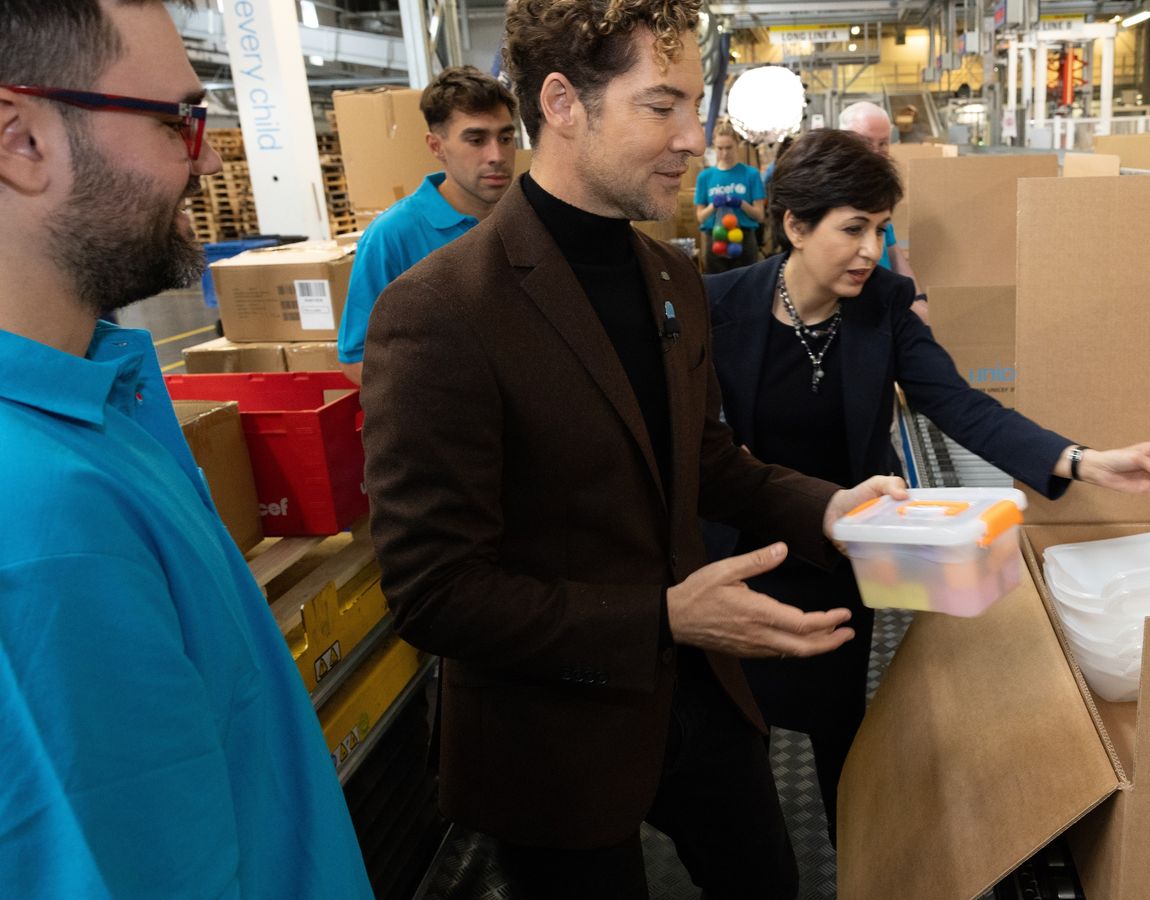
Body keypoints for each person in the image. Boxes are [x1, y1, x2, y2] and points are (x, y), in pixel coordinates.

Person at [358, 2, 907, 897]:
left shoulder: (669, 277)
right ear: (562, 103)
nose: (692, 136)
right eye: (662, 106)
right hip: (553, 735)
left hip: (701, 699)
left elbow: (706, 460)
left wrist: (830, 508)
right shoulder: (442, 311)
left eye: (695, 105)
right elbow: (435, 590)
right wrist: (663, 618)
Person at [704, 129, 1150, 841]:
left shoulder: (884, 305)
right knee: (737, 733)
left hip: (844, 552)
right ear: (795, 225)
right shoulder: (716, 307)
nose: (872, 250)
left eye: (881, 229)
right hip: (743, 554)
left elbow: (960, 405)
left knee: (840, 726)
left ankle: (856, 858)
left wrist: (1083, 460)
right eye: (853, 228)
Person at [0, 2, 371, 897]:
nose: (204, 160)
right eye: (177, 121)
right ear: (21, 141)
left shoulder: (101, 399)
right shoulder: (40, 520)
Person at [337, 66, 518, 385]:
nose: (497, 155)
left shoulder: (524, 220)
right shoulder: (392, 235)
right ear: (436, 146)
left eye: (505, 138)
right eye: (476, 139)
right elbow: (357, 360)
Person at [839, 100, 927, 321]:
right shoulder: (835, 197)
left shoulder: (877, 192)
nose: (876, 152)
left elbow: (893, 250)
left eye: (883, 143)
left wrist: (918, 298)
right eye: (865, 142)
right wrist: (904, 305)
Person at [695, 120, 764, 273]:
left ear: (737, 145)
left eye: (729, 147)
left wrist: (741, 204)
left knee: (747, 284)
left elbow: (759, 216)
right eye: (720, 148)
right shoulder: (705, 177)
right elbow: (700, 217)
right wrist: (714, 205)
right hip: (715, 238)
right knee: (716, 285)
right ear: (714, 146)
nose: (724, 153)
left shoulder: (751, 174)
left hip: (744, 238)